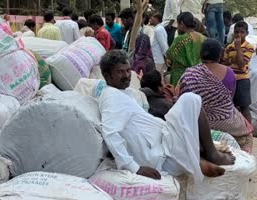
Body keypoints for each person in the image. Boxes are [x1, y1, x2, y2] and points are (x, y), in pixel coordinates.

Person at [98, 49, 234, 182]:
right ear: (107, 75)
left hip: (163, 145)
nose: (127, 75)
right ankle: (211, 154)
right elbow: (110, 132)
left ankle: (200, 157)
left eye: (128, 70)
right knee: (190, 99)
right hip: (160, 156)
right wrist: (134, 167)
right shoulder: (111, 97)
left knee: (186, 116)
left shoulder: (123, 93)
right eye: (120, 72)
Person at [179, 39, 254, 153]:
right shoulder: (229, 72)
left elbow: (183, 99)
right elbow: (230, 99)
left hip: (198, 120)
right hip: (226, 119)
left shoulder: (189, 73)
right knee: (247, 136)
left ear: (200, 54)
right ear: (220, 54)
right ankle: (244, 157)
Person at [223, 21, 255, 124]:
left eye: (242, 32)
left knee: (244, 107)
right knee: (231, 107)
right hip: (230, 80)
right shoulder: (229, 47)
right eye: (236, 32)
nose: (239, 35)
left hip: (242, 80)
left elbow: (241, 64)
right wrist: (233, 60)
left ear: (247, 33)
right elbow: (224, 63)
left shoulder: (249, 47)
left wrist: (237, 49)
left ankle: (248, 132)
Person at [166, 12, 206, 86]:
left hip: (180, 77)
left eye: (178, 24)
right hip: (198, 76)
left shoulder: (180, 39)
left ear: (182, 24)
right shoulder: (203, 38)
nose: (177, 27)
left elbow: (170, 55)